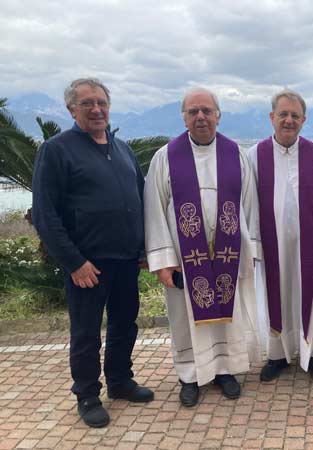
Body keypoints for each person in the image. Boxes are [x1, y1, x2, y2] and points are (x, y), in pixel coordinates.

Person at [32, 78, 153, 428]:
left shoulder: (123, 149)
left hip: (127, 259)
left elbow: (141, 200)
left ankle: (120, 380)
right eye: (87, 103)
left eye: (101, 103)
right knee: (86, 332)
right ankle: (87, 395)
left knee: (124, 324)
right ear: (72, 109)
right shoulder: (56, 150)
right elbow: (45, 213)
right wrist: (74, 262)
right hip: (88, 264)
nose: (97, 109)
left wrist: (144, 248)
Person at [144, 87, 261, 407]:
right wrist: (164, 260)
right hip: (185, 258)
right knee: (185, 318)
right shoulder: (166, 157)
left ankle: (225, 370)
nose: (200, 117)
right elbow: (154, 209)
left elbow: (249, 205)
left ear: (218, 116)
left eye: (207, 111)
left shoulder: (235, 154)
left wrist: (250, 250)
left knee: (228, 316)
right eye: (193, 111)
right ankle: (189, 375)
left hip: (228, 254)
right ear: (184, 118)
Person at [247, 89, 313, 384]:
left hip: (312, 249)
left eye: (295, 115)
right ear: (271, 117)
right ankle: (277, 356)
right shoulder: (254, 156)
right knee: (274, 297)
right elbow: (246, 203)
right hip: (271, 248)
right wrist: (252, 245)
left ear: (304, 120)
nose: (288, 120)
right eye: (283, 114)